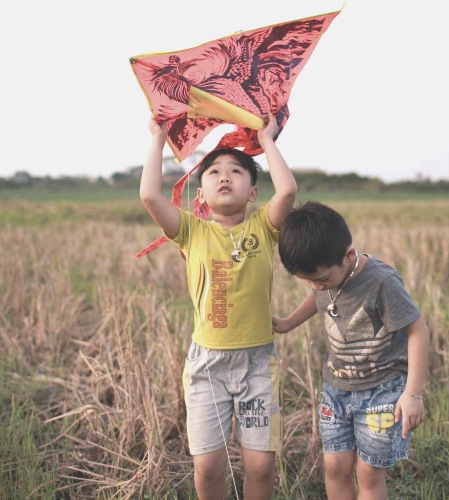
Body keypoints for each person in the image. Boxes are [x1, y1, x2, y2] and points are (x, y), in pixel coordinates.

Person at [140, 112, 297, 500]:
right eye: (213, 172)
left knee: (260, 465)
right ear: (200, 192)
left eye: (237, 171)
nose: (225, 176)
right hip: (207, 366)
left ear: (254, 192)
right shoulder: (191, 231)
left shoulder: (263, 227)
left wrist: (268, 140)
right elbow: (149, 196)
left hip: (258, 364)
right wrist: (158, 138)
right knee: (208, 466)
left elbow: (289, 191)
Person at [272, 201, 430, 500]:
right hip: (336, 389)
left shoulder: (381, 281)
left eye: (320, 280)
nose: (316, 288)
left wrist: (413, 394)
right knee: (334, 467)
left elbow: (418, 331)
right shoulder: (326, 274)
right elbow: (320, 298)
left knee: (369, 473)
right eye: (308, 281)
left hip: (382, 392)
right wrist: (289, 322)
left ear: (348, 255)